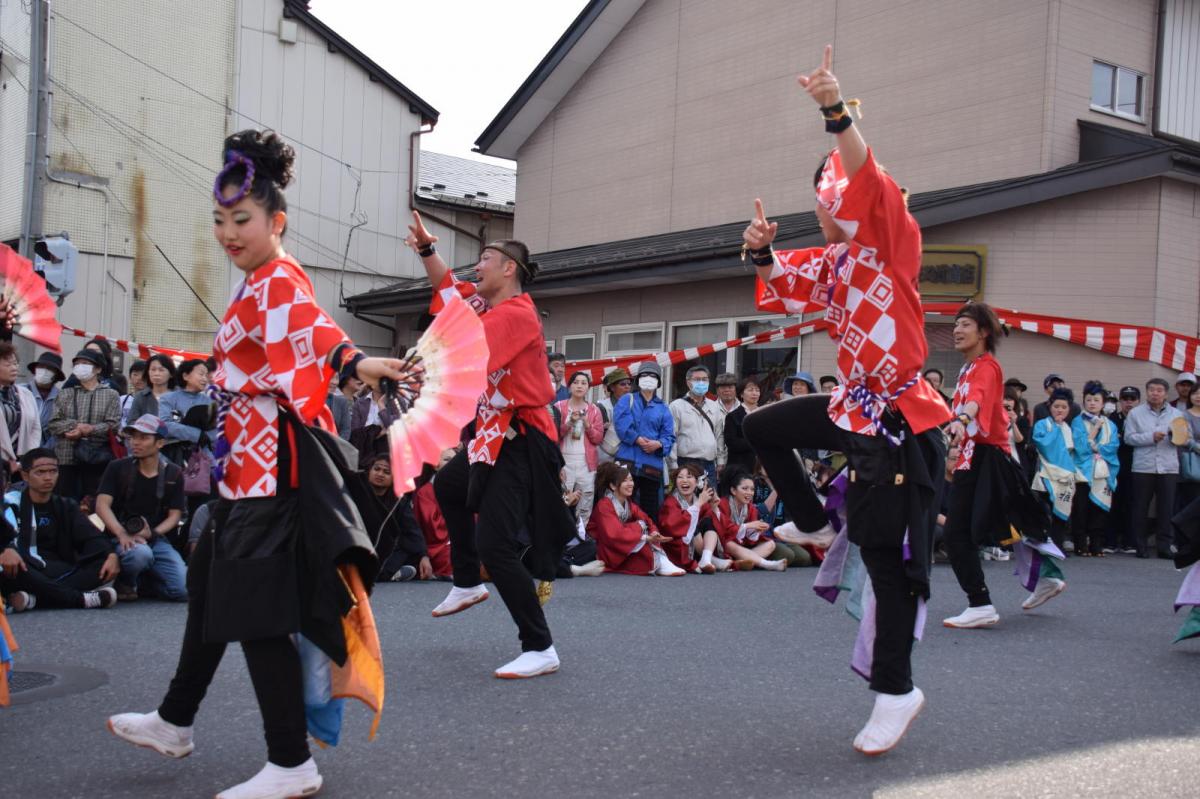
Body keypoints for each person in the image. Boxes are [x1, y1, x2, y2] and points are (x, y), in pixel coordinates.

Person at [107, 130, 406, 799]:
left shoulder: (277, 279)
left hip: (268, 469)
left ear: (276, 220)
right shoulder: (254, 283)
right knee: (212, 589)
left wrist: (351, 362)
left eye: (241, 219)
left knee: (257, 611)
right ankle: (175, 719)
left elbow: (311, 329)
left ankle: (290, 760)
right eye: (218, 219)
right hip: (241, 466)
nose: (227, 232)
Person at [741, 45, 950, 755]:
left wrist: (837, 111)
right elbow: (782, 281)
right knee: (760, 424)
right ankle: (812, 523)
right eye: (825, 196)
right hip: (852, 407)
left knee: (889, 566)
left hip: (898, 421)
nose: (830, 205)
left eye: (838, 191)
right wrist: (760, 252)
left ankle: (897, 688)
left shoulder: (895, 240)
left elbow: (868, 176)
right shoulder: (834, 261)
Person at [406, 209, 575, 680]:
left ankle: (540, 646)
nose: (475, 266)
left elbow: (469, 355)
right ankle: (465, 581)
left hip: (522, 438)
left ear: (509, 268)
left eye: (485, 257)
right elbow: (446, 289)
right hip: (491, 435)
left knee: (496, 545)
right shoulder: (482, 305)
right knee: (448, 488)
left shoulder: (517, 314)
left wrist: (411, 368)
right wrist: (426, 248)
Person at [941, 302, 1060, 628]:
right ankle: (1046, 578)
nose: (957, 330)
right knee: (1006, 522)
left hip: (986, 457)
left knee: (964, 532)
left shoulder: (987, 367)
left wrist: (963, 417)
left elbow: (976, 398)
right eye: (956, 324)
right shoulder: (966, 368)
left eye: (964, 324)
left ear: (983, 332)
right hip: (973, 456)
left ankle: (981, 603)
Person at [0, 448, 119, 612]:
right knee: (18, 569)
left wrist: (111, 554)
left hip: (58, 569)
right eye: (40, 472)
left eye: (53, 471)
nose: (48, 477)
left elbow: (91, 536)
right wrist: (6, 549)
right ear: (25, 475)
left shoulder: (66, 505)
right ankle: (80, 599)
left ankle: (34, 599)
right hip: (22, 567)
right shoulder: (11, 502)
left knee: (102, 565)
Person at [94, 415, 188, 602]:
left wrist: (152, 533)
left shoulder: (173, 472)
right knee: (140, 554)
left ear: (160, 443)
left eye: (143, 438)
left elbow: (175, 515)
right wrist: (121, 533)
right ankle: (126, 580)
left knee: (183, 591)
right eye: (133, 437)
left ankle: (145, 581)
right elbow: (101, 505)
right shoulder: (117, 467)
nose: (135, 443)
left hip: (156, 539)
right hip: (120, 537)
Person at [586, 462, 685, 576]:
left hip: (617, 544)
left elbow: (646, 519)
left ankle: (661, 561)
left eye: (631, 480)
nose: (630, 484)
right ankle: (659, 563)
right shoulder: (604, 505)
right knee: (639, 527)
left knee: (642, 526)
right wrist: (644, 537)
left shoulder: (628, 502)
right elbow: (613, 534)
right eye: (625, 481)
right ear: (613, 486)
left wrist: (654, 532)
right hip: (603, 547)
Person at [47, 349, 121, 501]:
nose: (80, 366)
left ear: (98, 369)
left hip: (96, 457)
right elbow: (53, 423)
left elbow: (113, 425)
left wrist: (90, 429)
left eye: (85, 363)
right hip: (65, 457)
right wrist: (76, 426)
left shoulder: (111, 394)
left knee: (92, 503)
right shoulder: (65, 393)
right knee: (63, 501)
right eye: (77, 364)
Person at [1124, 377, 1186, 558]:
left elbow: (1184, 439)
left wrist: (1175, 436)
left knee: (1166, 509)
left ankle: (1164, 546)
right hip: (1143, 466)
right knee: (1140, 508)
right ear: (1147, 392)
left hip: (1168, 467)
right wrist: (1151, 437)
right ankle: (1140, 545)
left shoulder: (1176, 414)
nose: (1155, 393)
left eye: (1159, 390)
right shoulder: (1135, 413)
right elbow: (1129, 438)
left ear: (1166, 394)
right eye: (1152, 390)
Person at [347, 454, 433, 582]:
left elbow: (412, 530)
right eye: (377, 469)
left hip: (386, 549)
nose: (380, 474)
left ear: (394, 478)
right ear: (369, 470)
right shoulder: (356, 493)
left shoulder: (398, 501)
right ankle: (395, 574)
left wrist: (424, 556)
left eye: (386, 472)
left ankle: (396, 572)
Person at [613, 361, 674, 521]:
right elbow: (621, 424)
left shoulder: (663, 407)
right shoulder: (627, 399)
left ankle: (648, 541)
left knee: (650, 509)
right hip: (627, 460)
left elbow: (669, 436)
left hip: (651, 465)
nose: (648, 378)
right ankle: (622, 540)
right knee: (622, 505)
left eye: (652, 376)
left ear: (658, 381)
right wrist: (638, 439)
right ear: (638, 379)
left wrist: (659, 444)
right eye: (644, 375)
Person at [658, 463, 736, 574]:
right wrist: (698, 504)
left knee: (709, 520)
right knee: (690, 522)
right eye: (680, 477)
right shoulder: (671, 502)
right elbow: (673, 526)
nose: (684, 480)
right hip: (677, 548)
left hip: (696, 548)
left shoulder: (697, 500)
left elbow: (721, 525)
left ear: (697, 483)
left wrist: (714, 507)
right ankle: (710, 560)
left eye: (689, 477)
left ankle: (707, 558)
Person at [1071, 381, 1120, 558]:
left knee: (1099, 509)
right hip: (1083, 471)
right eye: (1089, 399)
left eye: (1096, 400)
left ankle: (1097, 544)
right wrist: (1094, 432)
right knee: (1081, 508)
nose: (1092, 403)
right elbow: (1080, 446)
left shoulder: (1110, 424)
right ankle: (1080, 544)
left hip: (1103, 471)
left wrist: (1096, 447)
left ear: (1102, 402)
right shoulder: (1077, 421)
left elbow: (1113, 446)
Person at [1031, 389, 1081, 554]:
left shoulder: (1069, 427)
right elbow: (1043, 444)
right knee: (1045, 510)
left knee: (1061, 512)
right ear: (1050, 407)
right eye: (1056, 406)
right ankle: (1043, 543)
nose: (1060, 410)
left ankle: (1058, 545)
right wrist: (1056, 430)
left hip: (1065, 475)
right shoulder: (1042, 424)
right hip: (1047, 473)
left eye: (1064, 407)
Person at [710, 470, 787, 571]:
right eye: (745, 488)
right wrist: (748, 526)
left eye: (752, 489)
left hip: (742, 546)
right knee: (729, 544)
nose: (749, 493)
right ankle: (767, 564)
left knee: (770, 544)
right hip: (725, 545)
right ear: (733, 491)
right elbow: (724, 530)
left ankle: (740, 562)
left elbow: (749, 540)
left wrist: (756, 531)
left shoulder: (750, 508)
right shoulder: (723, 504)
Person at [555, 371, 604, 524]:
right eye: (576, 382)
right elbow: (554, 435)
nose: (579, 386)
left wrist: (587, 423)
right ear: (569, 386)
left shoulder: (594, 410)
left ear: (588, 388)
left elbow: (598, 438)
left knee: (585, 503)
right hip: (564, 461)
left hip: (586, 463)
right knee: (562, 499)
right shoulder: (558, 407)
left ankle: (581, 538)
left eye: (584, 383)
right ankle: (563, 538)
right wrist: (569, 423)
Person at [667, 365, 725, 487]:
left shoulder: (714, 406)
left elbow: (719, 436)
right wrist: (673, 465)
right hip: (686, 463)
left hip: (709, 464)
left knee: (710, 502)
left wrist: (720, 461)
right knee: (687, 501)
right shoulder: (676, 406)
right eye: (697, 379)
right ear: (688, 383)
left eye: (705, 379)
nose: (701, 382)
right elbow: (671, 436)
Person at [1106, 386, 1141, 554]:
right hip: (1114, 466)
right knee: (1113, 503)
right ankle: (1110, 541)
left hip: (1135, 466)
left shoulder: (1141, 419)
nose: (1129, 402)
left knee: (1132, 504)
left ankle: (1130, 542)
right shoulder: (1112, 419)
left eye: (1132, 399)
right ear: (1120, 401)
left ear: (1138, 401)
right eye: (1125, 399)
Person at [0, 342, 41, 478]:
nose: (14, 368)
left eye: (16, 363)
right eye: (8, 365)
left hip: (21, 464)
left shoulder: (25, 393)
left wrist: (28, 458)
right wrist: (5, 460)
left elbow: (35, 428)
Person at [23, 352, 64, 451]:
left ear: (56, 375)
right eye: (41, 367)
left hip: (44, 453)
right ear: (35, 369)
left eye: (49, 369)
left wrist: (43, 451)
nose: (44, 371)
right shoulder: (20, 391)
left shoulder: (62, 397)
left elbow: (59, 431)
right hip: (16, 450)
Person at [723, 377, 762, 475]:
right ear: (741, 394)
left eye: (757, 390)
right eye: (750, 390)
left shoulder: (765, 413)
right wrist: (756, 442)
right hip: (740, 466)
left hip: (762, 467)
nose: (754, 393)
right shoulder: (732, 416)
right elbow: (732, 443)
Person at [596, 368, 631, 465]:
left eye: (629, 384)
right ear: (612, 387)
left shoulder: (634, 405)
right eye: (623, 384)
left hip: (628, 458)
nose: (627, 387)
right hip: (605, 459)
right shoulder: (601, 406)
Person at [128, 354, 177, 423]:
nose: (156, 373)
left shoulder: (180, 396)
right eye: (153, 370)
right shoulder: (141, 396)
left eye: (161, 370)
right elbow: (131, 422)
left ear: (171, 373)